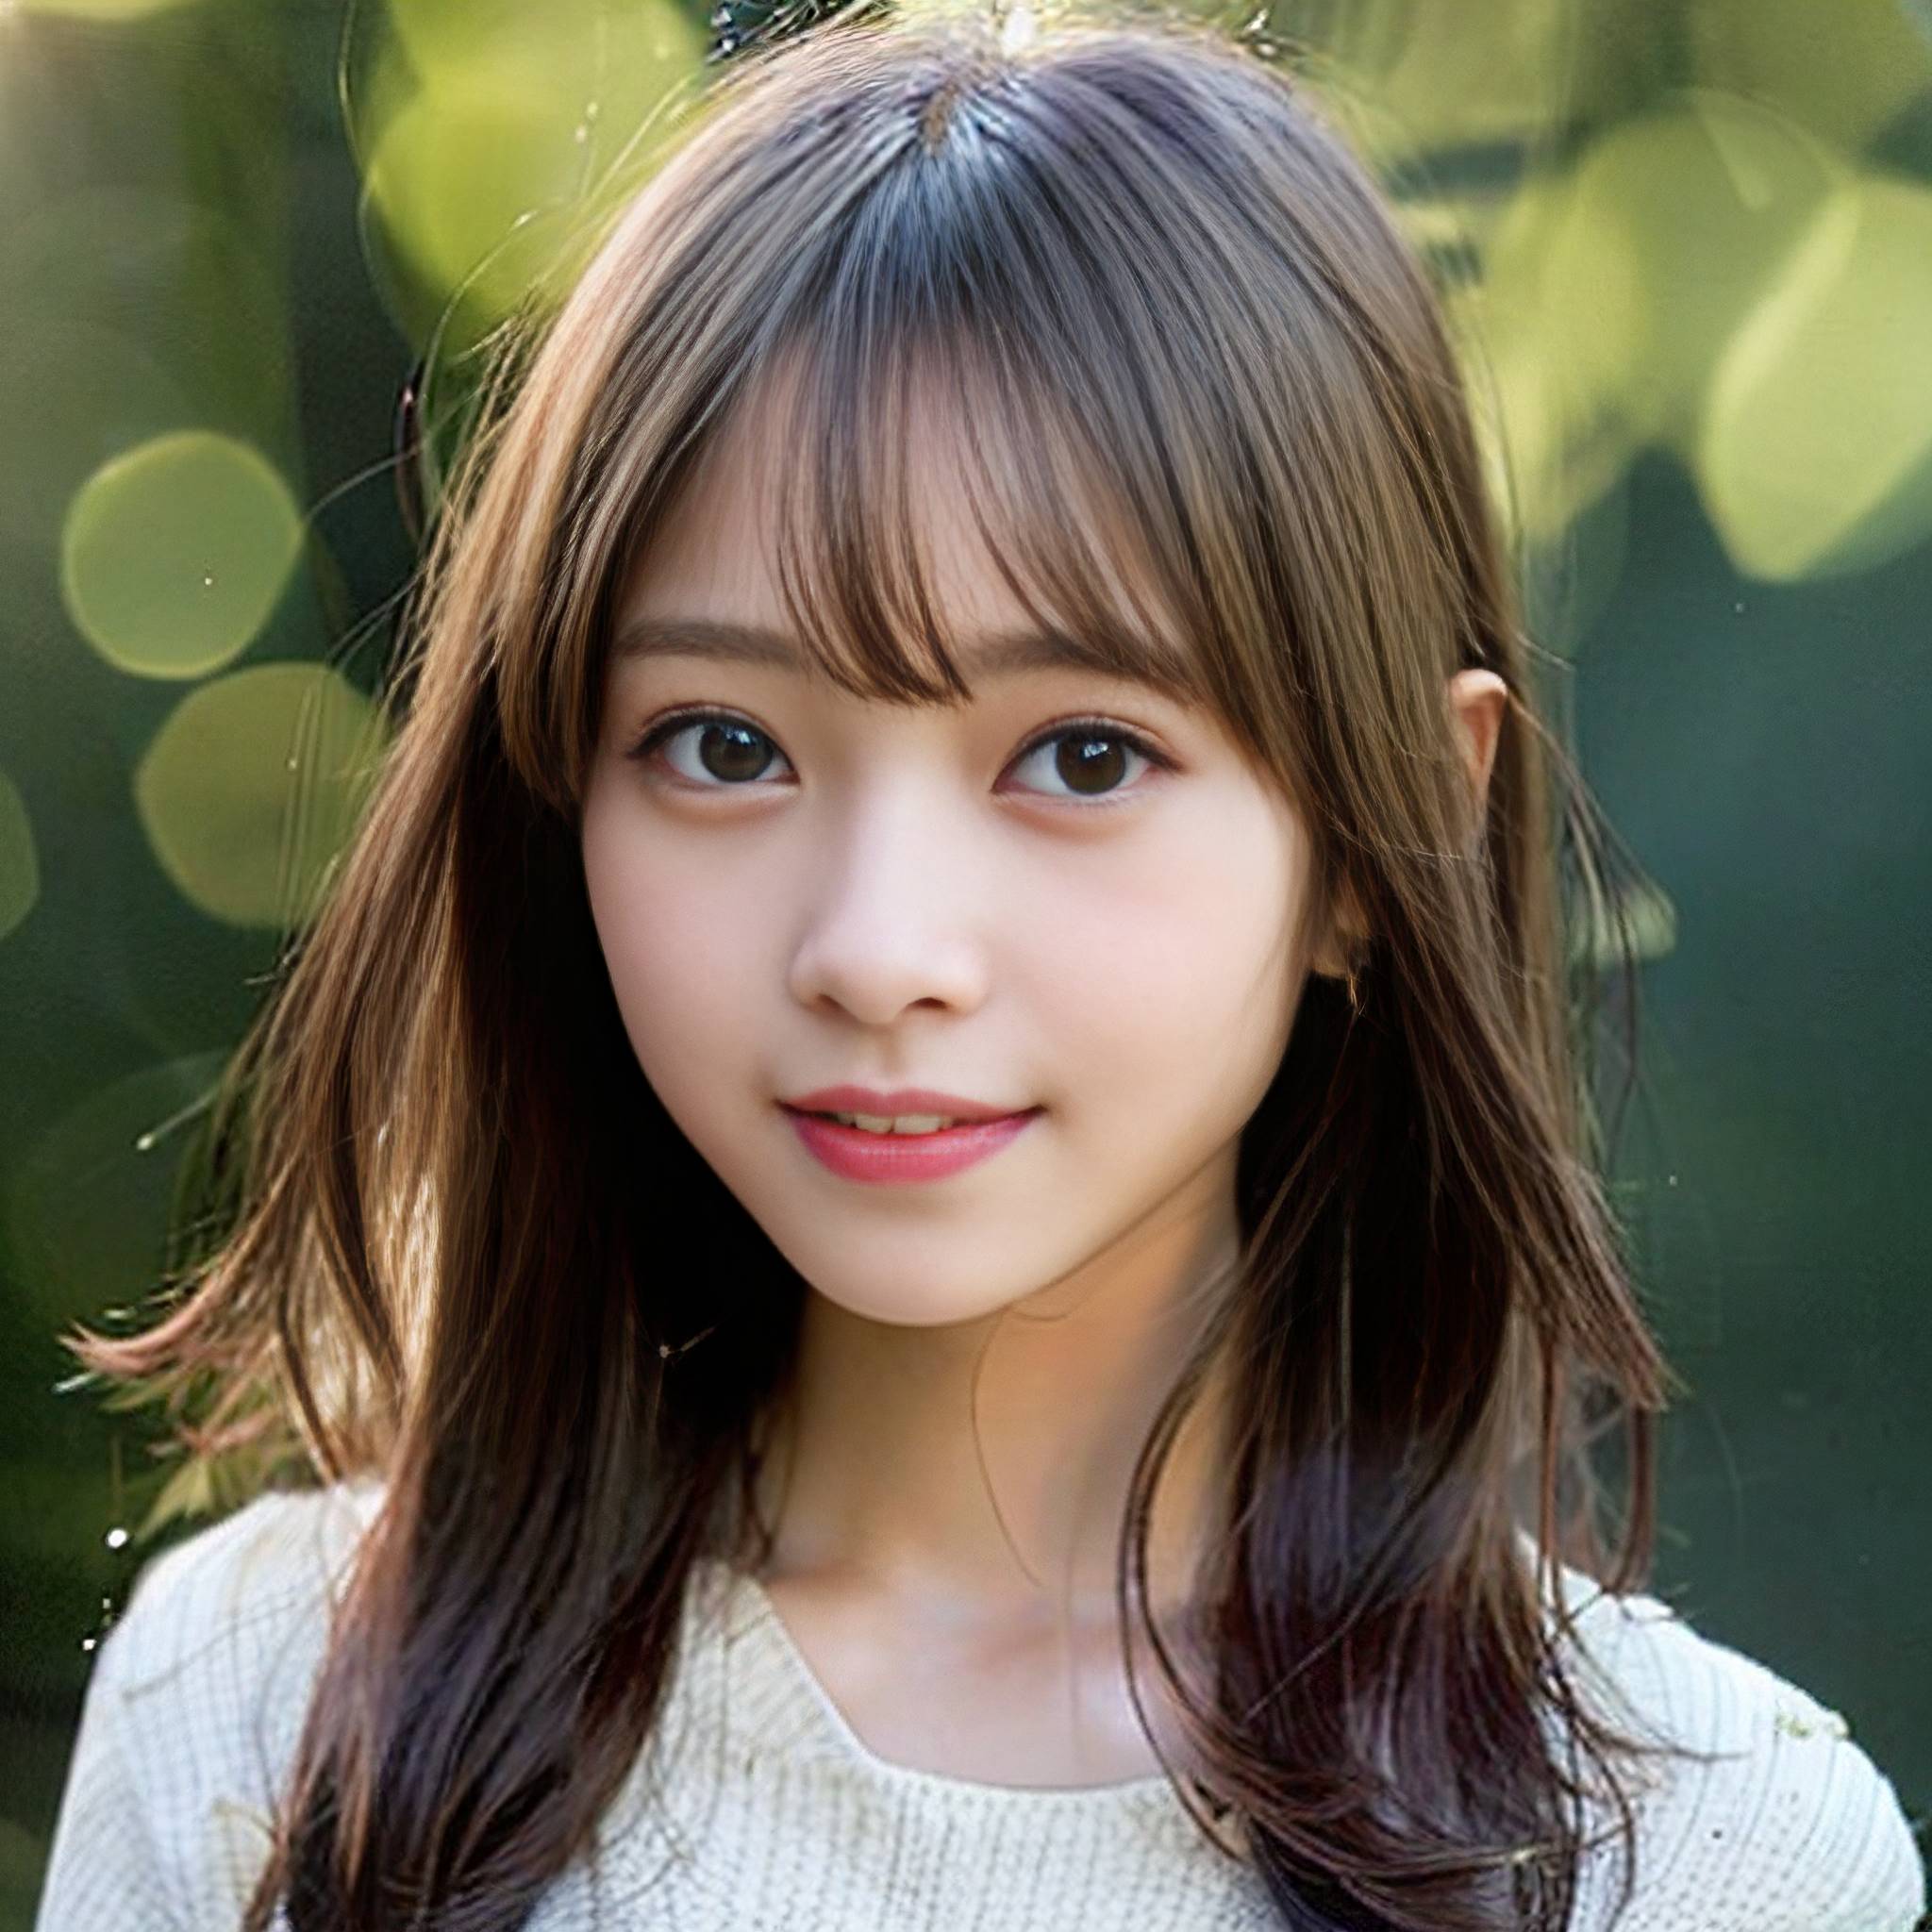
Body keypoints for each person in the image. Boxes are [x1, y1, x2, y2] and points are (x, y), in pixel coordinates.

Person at [33, 10, 1924, 1932]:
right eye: (723, 743)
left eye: (1082, 756)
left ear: (1389, 832)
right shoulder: (273, 1717)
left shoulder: (1690, 1861)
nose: (876, 950)